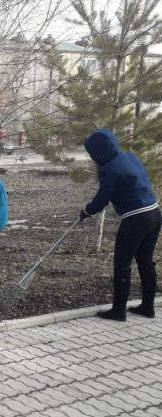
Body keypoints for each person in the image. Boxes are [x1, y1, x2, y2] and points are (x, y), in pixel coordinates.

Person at [79, 128, 160, 321]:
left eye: (92, 154)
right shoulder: (130, 157)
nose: (92, 158)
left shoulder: (109, 169)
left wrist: (87, 211)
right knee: (145, 262)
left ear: (98, 152)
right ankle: (148, 307)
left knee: (122, 264)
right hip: (155, 213)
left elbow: (102, 198)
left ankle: (118, 311)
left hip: (135, 218)